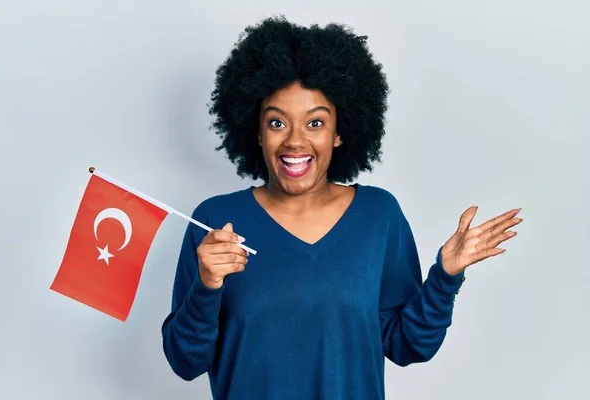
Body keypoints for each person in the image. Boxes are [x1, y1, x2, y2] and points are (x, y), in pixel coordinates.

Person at [161, 16, 522, 399]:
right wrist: (206, 286)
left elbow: (407, 345)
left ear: (338, 134)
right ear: (257, 132)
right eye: (277, 122)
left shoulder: (379, 216)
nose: (295, 141)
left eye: (315, 122)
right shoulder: (215, 223)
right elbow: (185, 362)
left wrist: (445, 277)